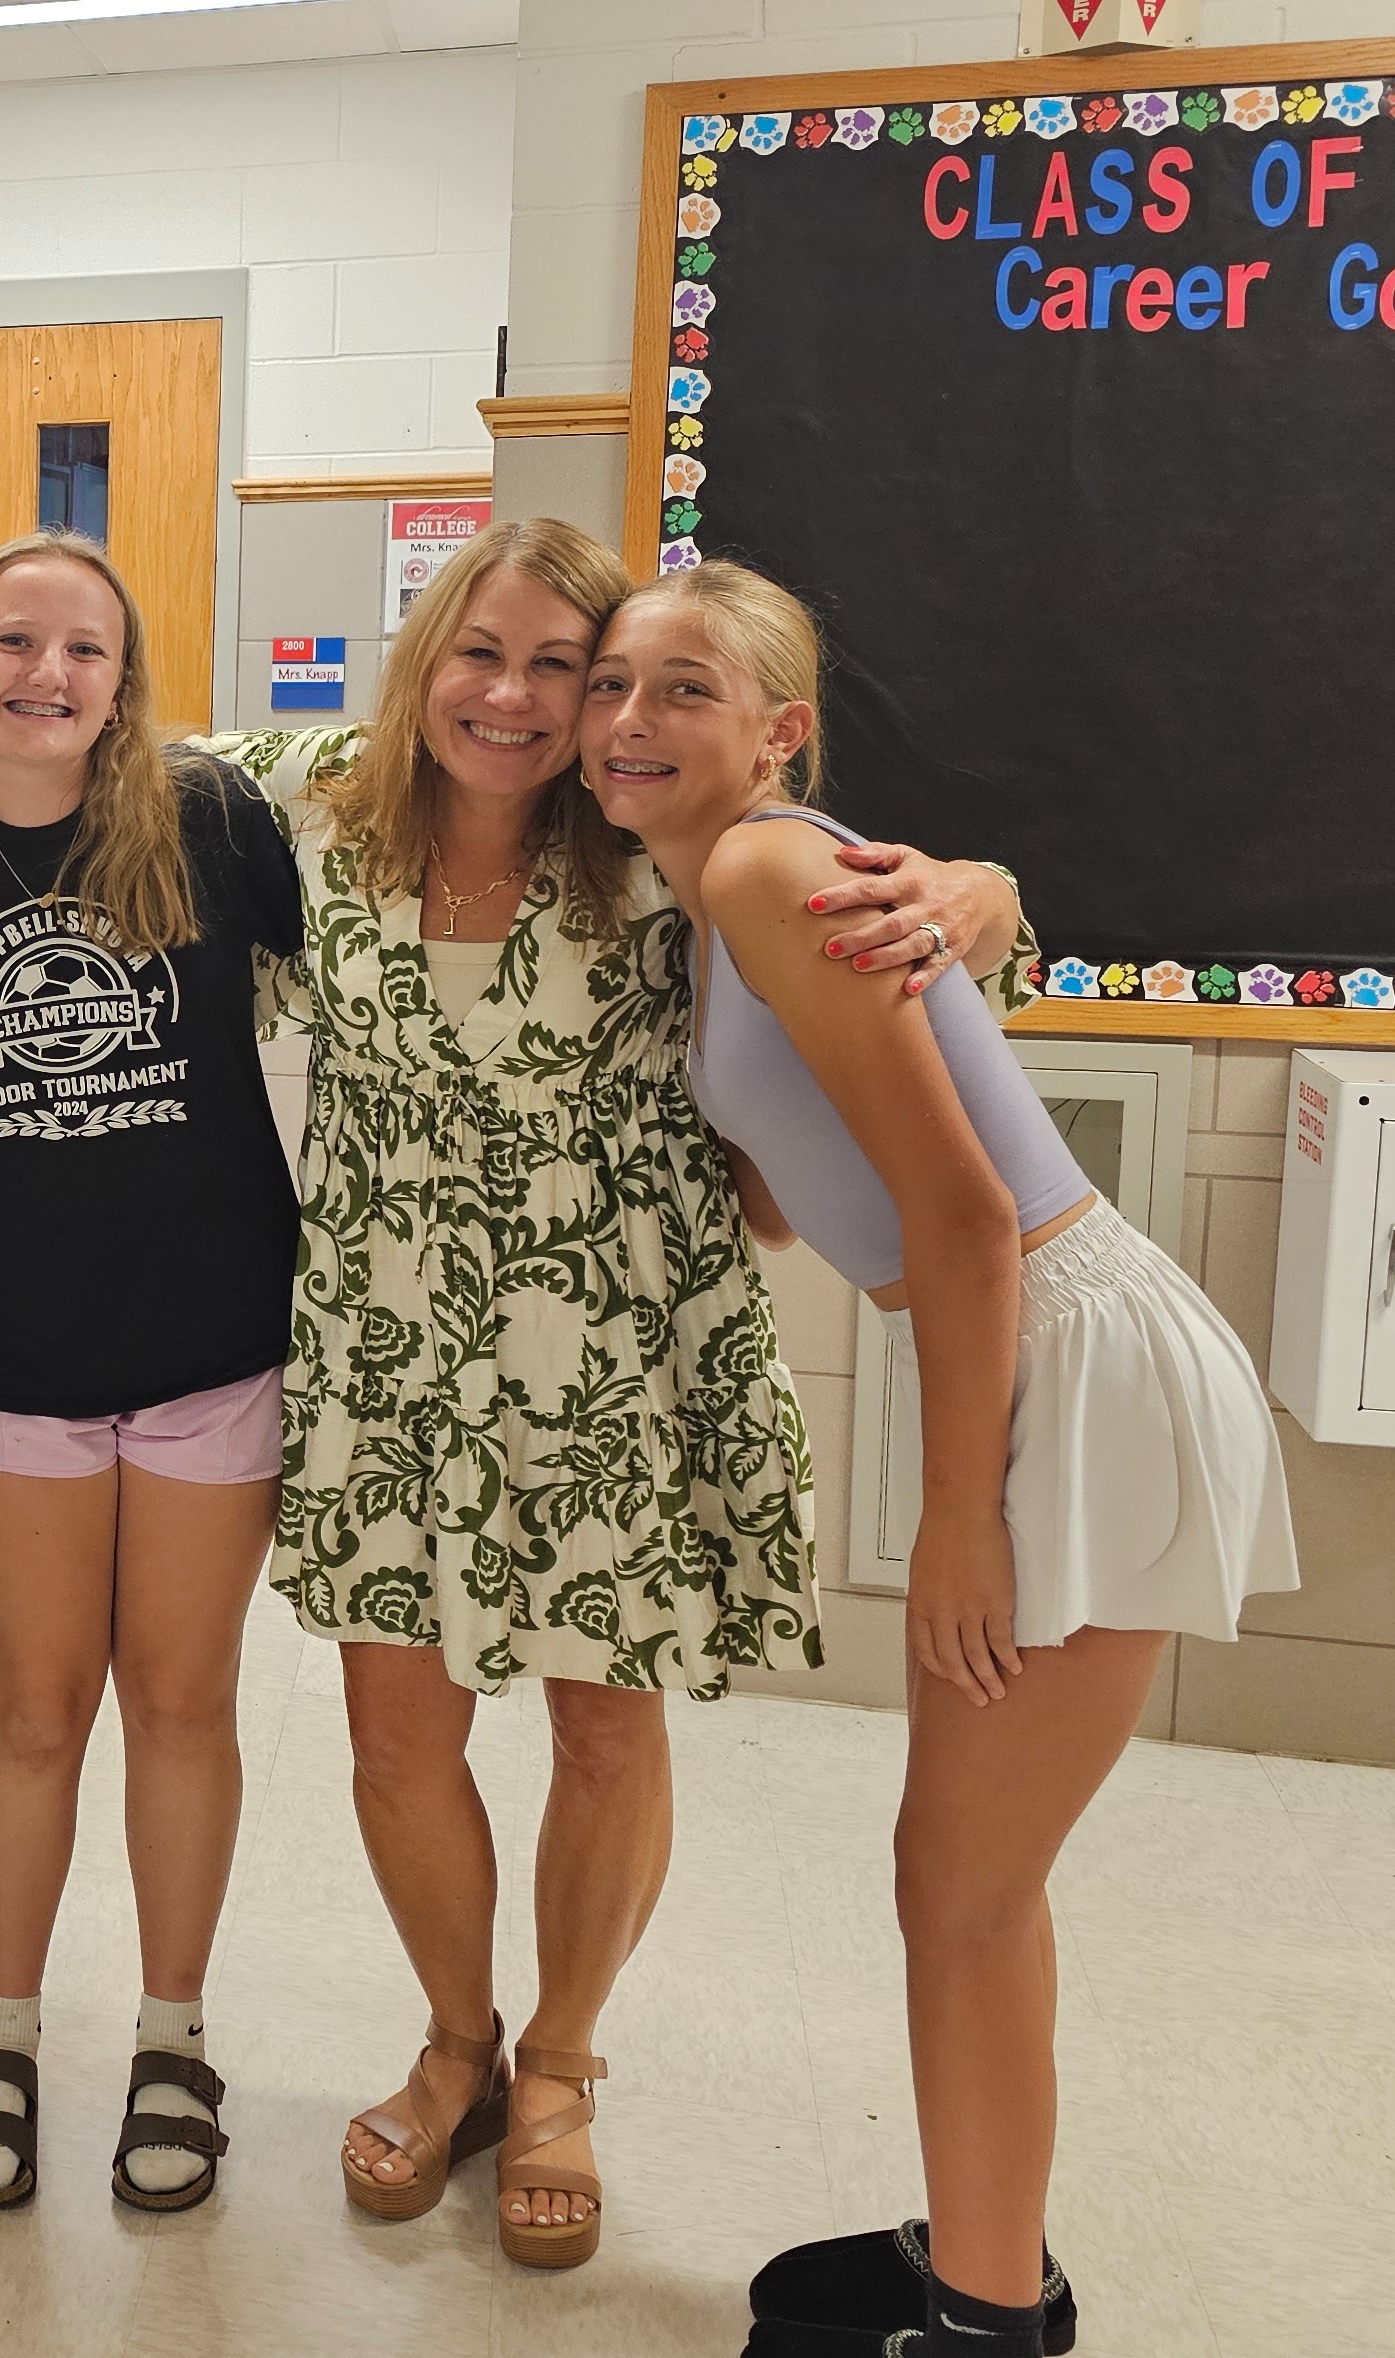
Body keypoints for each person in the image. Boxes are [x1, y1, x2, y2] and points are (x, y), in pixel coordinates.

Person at [203, 519, 1037, 2269]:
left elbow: (911, 916)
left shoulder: (673, 845)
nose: (517, 699)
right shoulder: (310, 801)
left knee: (601, 1723)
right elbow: (98, 760)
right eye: (478, 653)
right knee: (393, 1734)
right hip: (386, 1352)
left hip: (621, 1362)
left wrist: (977, 886)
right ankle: (457, 2041)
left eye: (564, 672)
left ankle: (562, 2055)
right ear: (423, 652)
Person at [577, 560, 1294, 2358]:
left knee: (957, 1892)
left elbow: (968, 1216)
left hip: (1061, 1362)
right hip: (1047, 1349)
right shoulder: (727, 887)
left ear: (776, 732)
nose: (629, 720)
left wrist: (958, 1516)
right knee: (966, 1884)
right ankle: (992, 2254)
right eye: (610, 684)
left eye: (685, 689)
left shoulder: (755, 871)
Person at [0, 532, 303, 2213]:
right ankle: (4, 2027)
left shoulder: (210, 824)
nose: (50, 673)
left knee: (183, 1702)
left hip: (213, 1348)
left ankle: (173, 2036)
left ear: (122, 683)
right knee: (34, 1706)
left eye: (87, 650)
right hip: (10, 1358)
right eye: (14, 640)